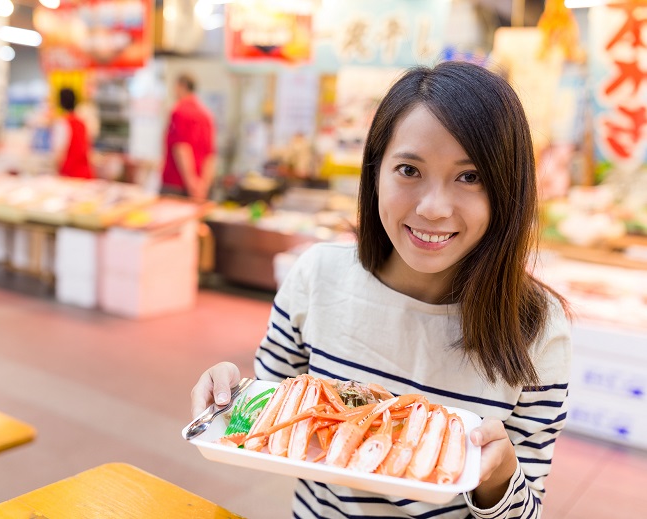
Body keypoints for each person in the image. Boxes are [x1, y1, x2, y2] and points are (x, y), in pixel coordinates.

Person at [190, 61, 572, 519]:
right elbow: (266, 409)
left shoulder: (539, 329)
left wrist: (497, 479)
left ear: (509, 189)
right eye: (409, 170)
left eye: (470, 177)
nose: (433, 208)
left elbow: (525, 511)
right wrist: (226, 397)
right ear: (375, 173)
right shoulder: (317, 276)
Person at [161, 73, 216, 201]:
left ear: (181, 86)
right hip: (199, 188)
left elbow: (181, 148)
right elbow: (210, 154)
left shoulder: (179, 111)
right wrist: (203, 186)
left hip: (176, 184)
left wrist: (191, 183)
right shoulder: (206, 114)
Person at [52, 88, 93, 179]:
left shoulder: (62, 123)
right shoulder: (82, 122)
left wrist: (55, 170)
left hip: (69, 174)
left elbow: (59, 152)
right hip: (85, 174)